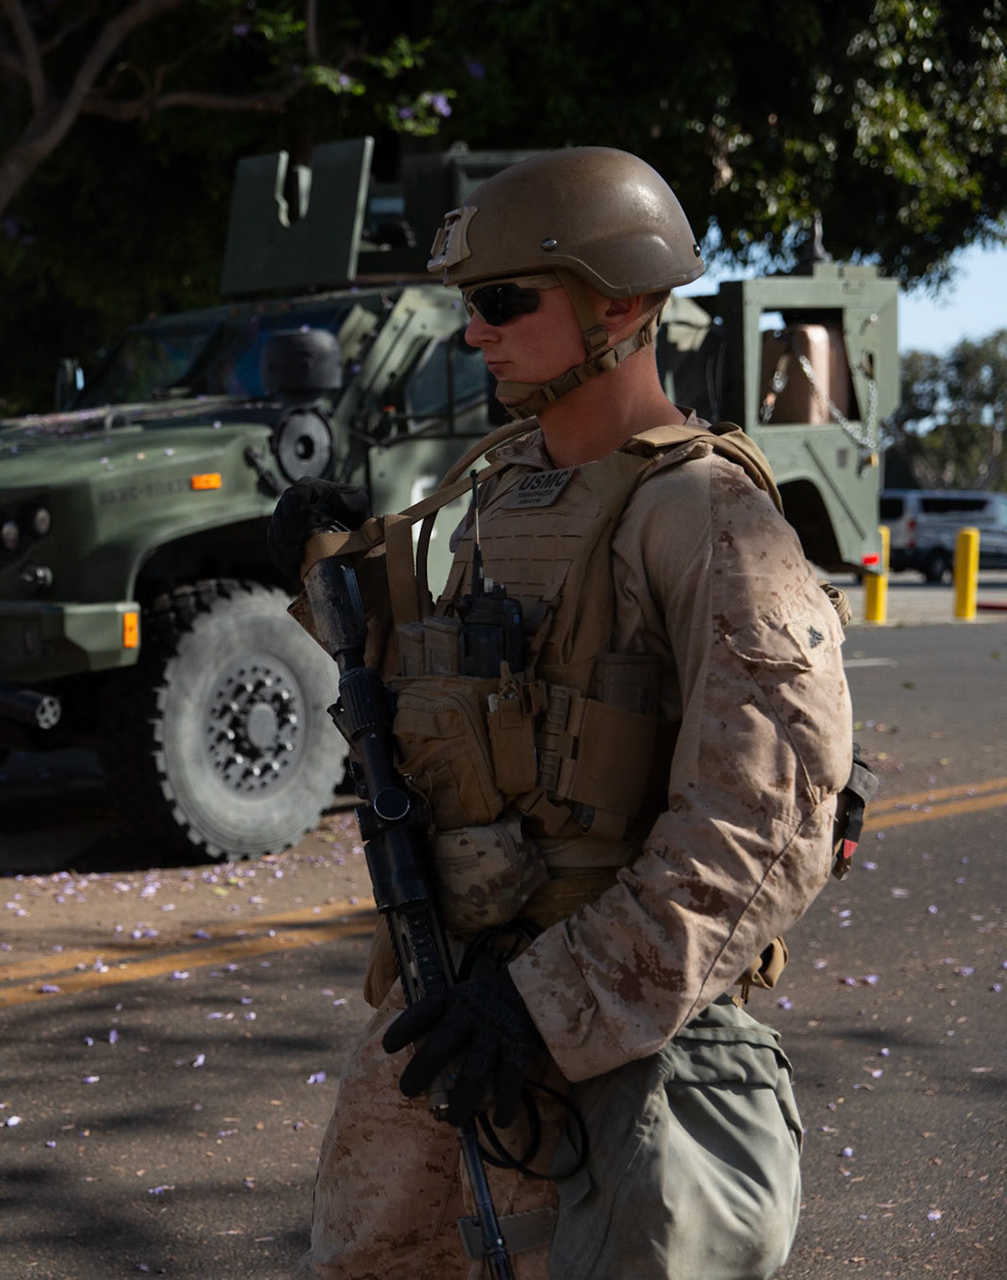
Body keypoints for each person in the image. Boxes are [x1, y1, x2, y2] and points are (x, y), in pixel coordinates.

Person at [272, 148, 856, 1278]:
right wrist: (314, 557)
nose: (474, 332)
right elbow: (399, 651)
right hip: (445, 1014)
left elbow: (762, 820)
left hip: (596, 1041)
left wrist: (548, 1005)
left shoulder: (707, 516)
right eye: (468, 306)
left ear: (624, 305)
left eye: (502, 301)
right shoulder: (490, 488)